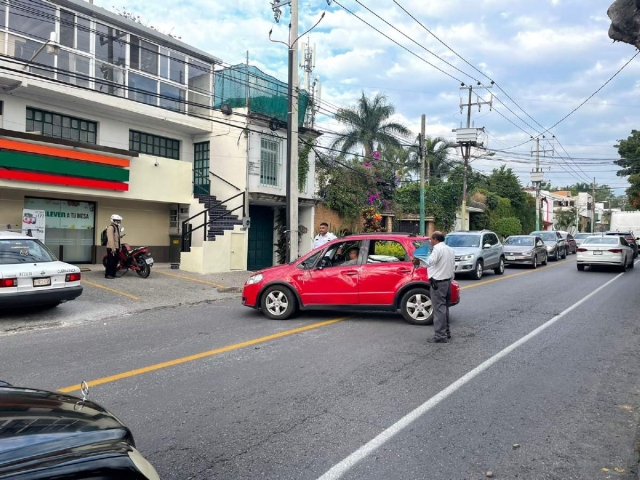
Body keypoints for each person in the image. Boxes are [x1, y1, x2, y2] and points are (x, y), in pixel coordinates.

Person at [424, 231, 455, 343]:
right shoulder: (450, 250)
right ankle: (446, 332)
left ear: (435, 239)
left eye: (431, 239)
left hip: (438, 282)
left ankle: (440, 336)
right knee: (444, 308)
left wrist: (421, 258)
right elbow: (452, 266)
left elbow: (430, 261)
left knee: (438, 309)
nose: (430, 241)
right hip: (447, 281)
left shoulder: (437, 249)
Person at [105, 214, 122, 279]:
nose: (118, 222)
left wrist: (119, 247)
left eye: (119, 220)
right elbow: (110, 239)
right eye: (116, 220)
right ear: (113, 220)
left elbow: (117, 239)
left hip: (116, 247)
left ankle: (113, 273)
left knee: (115, 261)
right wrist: (113, 248)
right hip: (111, 248)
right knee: (110, 261)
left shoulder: (116, 227)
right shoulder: (111, 227)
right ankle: (108, 274)